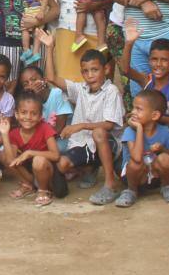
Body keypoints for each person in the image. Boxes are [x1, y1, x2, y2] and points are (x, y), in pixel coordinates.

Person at [44, 46, 125, 206]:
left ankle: (110, 184)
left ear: (106, 69)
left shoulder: (111, 91)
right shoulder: (81, 89)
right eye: (86, 71)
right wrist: (49, 47)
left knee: (99, 133)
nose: (90, 75)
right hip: (84, 143)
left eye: (94, 70)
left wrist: (80, 126)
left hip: (109, 144)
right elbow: (51, 78)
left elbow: (109, 125)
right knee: (62, 164)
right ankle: (89, 169)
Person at [119, 21, 169, 154]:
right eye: (154, 59)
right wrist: (129, 43)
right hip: (146, 128)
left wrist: (146, 118)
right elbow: (125, 70)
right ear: (149, 60)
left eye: (164, 60)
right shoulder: (147, 79)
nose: (158, 64)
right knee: (129, 128)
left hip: (165, 130)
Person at [116, 89, 169, 207]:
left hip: (155, 176)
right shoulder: (130, 131)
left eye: (139, 109)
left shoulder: (164, 131)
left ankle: (166, 186)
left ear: (155, 115)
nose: (133, 112)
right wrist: (139, 129)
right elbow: (136, 158)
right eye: (133, 108)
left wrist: (163, 149)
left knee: (165, 158)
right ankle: (131, 191)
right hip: (135, 177)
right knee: (135, 163)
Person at [0, 93, 61, 206]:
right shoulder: (14, 134)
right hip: (31, 174)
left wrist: (30, 153)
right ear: (16, 114)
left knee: (38, 160)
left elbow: (55, 155)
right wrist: (5, 134)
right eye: (23, 112)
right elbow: (10, 161)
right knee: (3, 155)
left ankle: (43, 191)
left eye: (34, 113)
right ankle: (27, 185)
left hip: (48, 175)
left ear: (41, 116)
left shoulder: (45, 128)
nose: (28, 117)